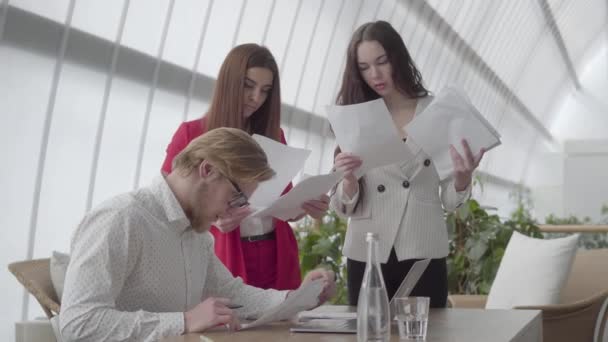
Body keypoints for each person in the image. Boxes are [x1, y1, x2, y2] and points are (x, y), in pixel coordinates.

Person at [60, 128, 336, 341]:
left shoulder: (196, 234)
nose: (235, 210)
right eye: (236, 197)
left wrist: (297, 298)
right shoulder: (121, 219)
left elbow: (232, 294)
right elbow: (78, 322)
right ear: (207, 170)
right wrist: (184, 321)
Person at [330, 21, 485, 308]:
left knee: (426, 334)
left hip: (422, 247)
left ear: (397, 57)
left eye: (382, 61)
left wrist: (463, 179)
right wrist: (348, 180)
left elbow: (449, 200)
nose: (374, 74)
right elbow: (342, 208)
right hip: (368, 249)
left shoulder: (437, 111)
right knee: (369, 335)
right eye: (364, 67)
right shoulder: (355, 116)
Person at [162, 43, 329, 291]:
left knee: (281, 322)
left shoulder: (274, 135)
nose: (256, 98)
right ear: (229, 83)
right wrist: (212, 220)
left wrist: (304, 205)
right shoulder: (192, 134)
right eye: (248, 86)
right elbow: (167, 208)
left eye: (265, 91)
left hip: (276, 253)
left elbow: (281, 202)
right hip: (225, 257)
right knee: (231, 322)